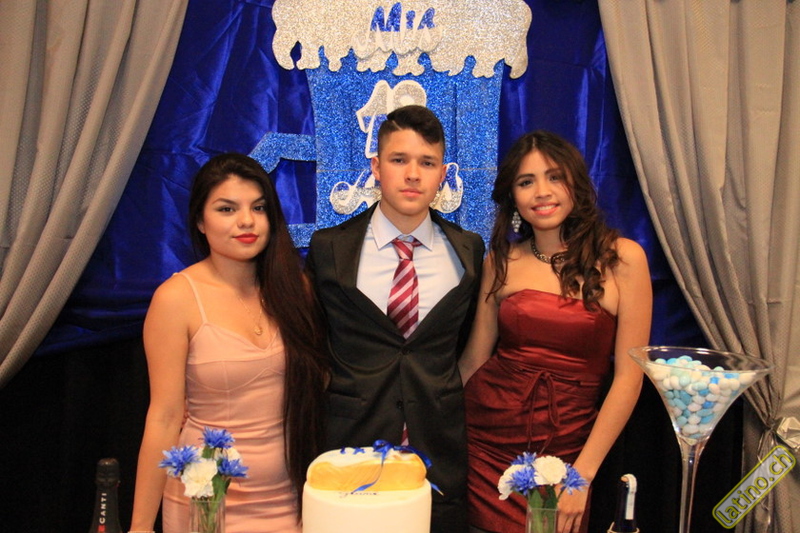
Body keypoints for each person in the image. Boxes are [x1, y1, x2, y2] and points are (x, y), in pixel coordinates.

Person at [459, 131, 652, 533]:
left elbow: (629, 379)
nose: (541, 192)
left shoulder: (624, 259)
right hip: (484, 444)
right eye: (526, 182)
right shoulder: (501, 261)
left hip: (567, 453)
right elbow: (475, 360)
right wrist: (423, 426)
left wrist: (582, 475)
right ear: (512, 196)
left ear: (575, 184)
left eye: (554, 177)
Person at [305, 105, 485, 533]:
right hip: (349, 450)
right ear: (376, 167)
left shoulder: (469, 251)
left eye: (428, 162)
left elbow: (464, 347)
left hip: (438, 454)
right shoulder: (329, 248)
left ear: (442, 174)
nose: (413, 174)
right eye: (399, 159)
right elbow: (311, 343)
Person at [129, 153, 329, 533]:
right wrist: (140, 526)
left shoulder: (295, 288)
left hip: (292, 499)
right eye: (227, 209)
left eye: (258, 207)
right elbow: (165, 416)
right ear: (200, 221)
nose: (246, 221)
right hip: (207, 501)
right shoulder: (176, 298)